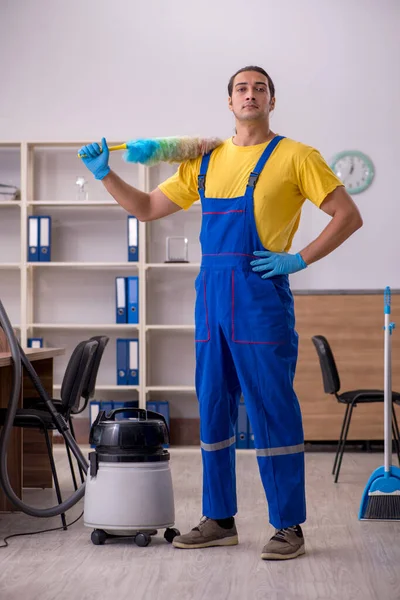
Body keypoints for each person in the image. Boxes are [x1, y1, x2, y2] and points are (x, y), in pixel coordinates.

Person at [78, 65, 363, 561]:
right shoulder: (204, 160)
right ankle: (219, 519)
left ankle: (288, 526)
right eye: (241, 88)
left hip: (260, 294)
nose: (250, 94)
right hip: (211, 295)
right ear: (229, 102)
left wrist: (299, 258)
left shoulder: (298, 157)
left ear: (272, 101)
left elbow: (347, 215)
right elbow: (145, 208)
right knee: (213, 405)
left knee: (272, 407)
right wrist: (106, 174)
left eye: (260, 88)